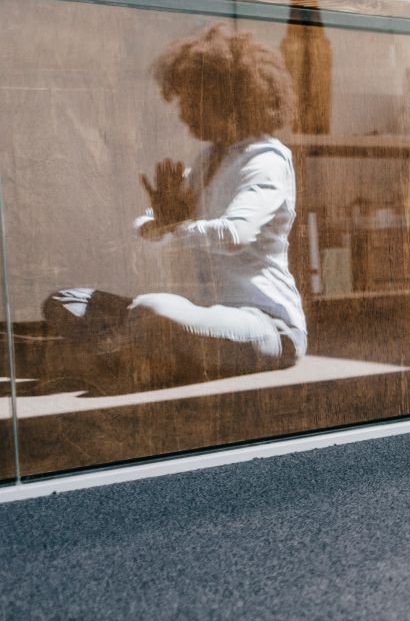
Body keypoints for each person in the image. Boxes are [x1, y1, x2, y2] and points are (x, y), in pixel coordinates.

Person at [43, 23, 308, 387]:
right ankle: (140, 349)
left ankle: (131, 350)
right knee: (67, 300)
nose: (184, 114)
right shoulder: (210, 159)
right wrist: (161, 220)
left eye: (192, 101)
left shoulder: (265, 161)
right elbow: (152, 225)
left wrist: (174, 227)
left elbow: (235, 233)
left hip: (266, 326)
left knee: (153, 310)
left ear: (228, 100)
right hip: (203, 316)